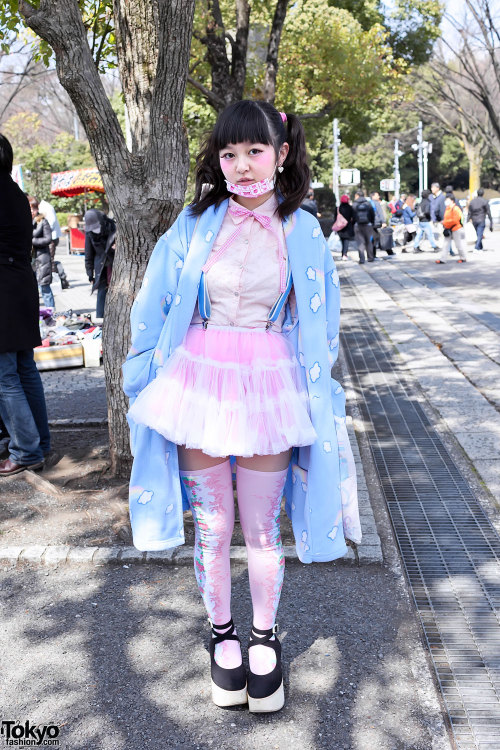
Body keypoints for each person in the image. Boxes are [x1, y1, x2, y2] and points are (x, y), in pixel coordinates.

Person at [123, 100, 361, 714]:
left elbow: (324, 321)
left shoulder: (304, 228)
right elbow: (152, 299)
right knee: (213, 526)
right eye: (229, 153)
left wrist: (321, 387)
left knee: (260, 527)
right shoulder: (195, 221)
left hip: (271, 386)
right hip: (196, 383)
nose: (241, 163)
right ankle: (222, 637)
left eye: (255, 150)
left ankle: (263, 638)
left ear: (281, 155)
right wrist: (141, 371)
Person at [0, 134, 50, 476]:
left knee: (5, 376)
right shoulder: (16, 192)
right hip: (19, 281)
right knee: (25, 369)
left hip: (3, 283)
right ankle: (39, 443)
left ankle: (26, 451)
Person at [84, 209, 116, 318]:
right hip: (101, 268)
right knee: (102, 293)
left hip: (114, 265)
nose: (95, 230)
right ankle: (100, 318)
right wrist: (90, 274)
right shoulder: (89, 234)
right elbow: (88, 255)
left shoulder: (112, 227)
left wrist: (116, 248)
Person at [29, 196, 55, 308]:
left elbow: (48, 239)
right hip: (31, 261)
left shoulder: (43, 221)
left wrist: (32, 241)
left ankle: (51, 313)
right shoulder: (26, 221)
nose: (31, 211)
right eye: (30, 208)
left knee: (45, 288)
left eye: (33, 208)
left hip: (42, 259)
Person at [38, 197, 70, 288]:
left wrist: (42, 231)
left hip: (51, 237)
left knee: (50, 261)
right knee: (50, 261)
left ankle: (60, 281)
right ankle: (60, 280)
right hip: (50, 237)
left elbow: (51, 223)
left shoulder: (46, 207)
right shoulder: (44, 207)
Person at [435, 195, 467, 264]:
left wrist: (445, 223)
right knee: (445, 244)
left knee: (458, 244)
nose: (446, 202)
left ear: (452, 201)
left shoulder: (456, 209)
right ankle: (443, 259)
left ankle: (463, 257)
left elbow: (455, 220)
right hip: (448, 228)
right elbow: (446, 218)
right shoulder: (448, 208)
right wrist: (445, 223)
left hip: (455, 228)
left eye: (447, 200)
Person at [352, 189, 375, 263]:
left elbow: (352, 215)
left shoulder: (354, 204)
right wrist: (372, 222)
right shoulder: (368, 203)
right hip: (368, 225)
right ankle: (370, 257)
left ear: (357, 195)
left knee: (360, 242)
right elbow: (372, 214)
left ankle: (362, 259)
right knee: (369, 242)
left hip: (358, 225)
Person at [369, 191, 393, 256]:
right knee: (380, 237)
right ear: (373, 196)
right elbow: (380, 213)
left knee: (373, 239)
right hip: (377, 223)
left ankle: (372, 255)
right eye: (377, 195)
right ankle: (389, 251)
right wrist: (383, 222)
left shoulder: (369, 203)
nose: (378, 197)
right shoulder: (376, 203)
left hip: (370, 223)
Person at [332, 193, 355, 259]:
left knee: (342, 240)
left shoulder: (338, 208)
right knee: (346, 241)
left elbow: (335, 218)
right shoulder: (350, 208)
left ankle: (343, 254)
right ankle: (344, 254)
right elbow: (353, 217)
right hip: (348, 227)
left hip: (340, 227)